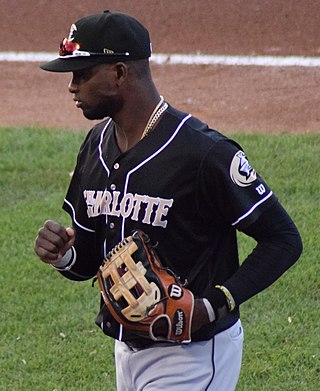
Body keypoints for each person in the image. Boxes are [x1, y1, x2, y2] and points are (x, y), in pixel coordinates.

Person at [34, 10, 302, 391]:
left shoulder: (203, 154)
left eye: (83, 74)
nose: (72, 87)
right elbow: (93, 259)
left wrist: (214, 304)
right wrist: (63, 255)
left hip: (192, 355)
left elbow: (284, 239)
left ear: (120, 73)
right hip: (125, 351)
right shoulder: (95, 147)